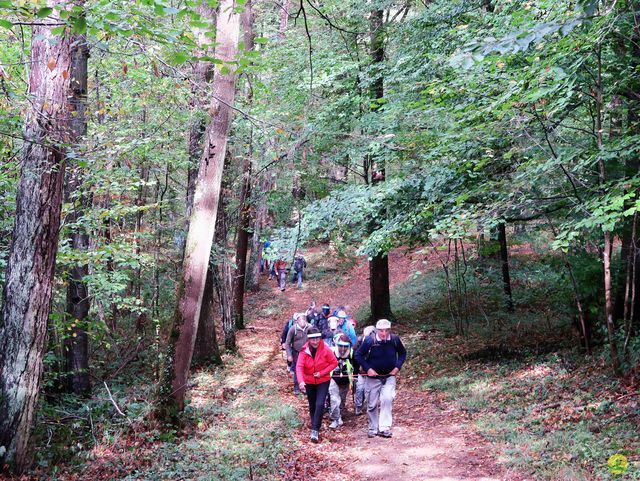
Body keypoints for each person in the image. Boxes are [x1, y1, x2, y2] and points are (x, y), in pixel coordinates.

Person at [355, 319, 407, 438]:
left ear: (389, 330)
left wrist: (397, 367)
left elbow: (403, 353)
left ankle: (384, 428)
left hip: (389, 376)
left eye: (386, 330)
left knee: (387, 399)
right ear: (377, 330)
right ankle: (373, 428)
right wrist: (368, 368)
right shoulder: (369, 341)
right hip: (373, 378)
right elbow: (358, 355)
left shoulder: (394, 340)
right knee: (372, 404)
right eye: (381, 331)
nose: (384, 333)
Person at [296, 327, 338, 443]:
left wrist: (322, 373)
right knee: (312, 405)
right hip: (309, 381)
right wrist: (301, 381)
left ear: (320, 338)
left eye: (317, 339)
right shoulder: (304, 351)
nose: (315, 342)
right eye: (312, 339)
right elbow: (299, 367)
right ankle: (314, 422)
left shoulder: (325, 349)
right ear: (308, 340)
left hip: (323, 380)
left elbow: (334, 362)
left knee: (320, 404)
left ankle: (315, 430)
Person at [328, 334, 356, 429]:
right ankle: (335, 419)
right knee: (334, 399)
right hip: (333, 378)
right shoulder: (331, 352)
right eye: (340, 346)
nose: (342, 349)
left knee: (342, 400)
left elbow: (355, 365)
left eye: (345, 346)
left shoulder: (352, 353)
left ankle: (340, 414)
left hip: (346, 379)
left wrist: (355, 378)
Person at [285, 313, 311, 395]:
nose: (302, 322)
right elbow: (288, 343)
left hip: (307, 352)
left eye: (304, 320)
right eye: (300, 320)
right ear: (297, 321)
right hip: (296, 352)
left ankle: (306, 387)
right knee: (297, 369)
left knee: (307, 369)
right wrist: (289, 354)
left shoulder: (310, 328)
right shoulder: (293, 329)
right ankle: (297, 388)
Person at [353, 325, 375, 415]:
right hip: (361, 371)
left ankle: (368, 406)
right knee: (359, 388)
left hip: (372, 371)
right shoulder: (359, 343)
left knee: (368, 390)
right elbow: (355, 357)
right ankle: (358, 406)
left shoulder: (377, 343)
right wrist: (355, 373)